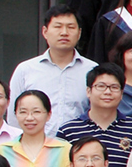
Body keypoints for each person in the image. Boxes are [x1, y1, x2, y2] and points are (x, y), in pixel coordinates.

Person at [55, 65, 132, 167]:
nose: (107, 92)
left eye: (114, 87)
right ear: (88, 91)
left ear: (122, 93)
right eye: (101, 86)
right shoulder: (68, 131)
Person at [9, 7, 96, 135]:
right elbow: (14, 117)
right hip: (37, 145)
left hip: (79, 144)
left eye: (71, 27)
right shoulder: (25, 70)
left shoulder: (92, 70)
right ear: (45, 32)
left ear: (79, 33)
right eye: (58, 27)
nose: (64, 32)